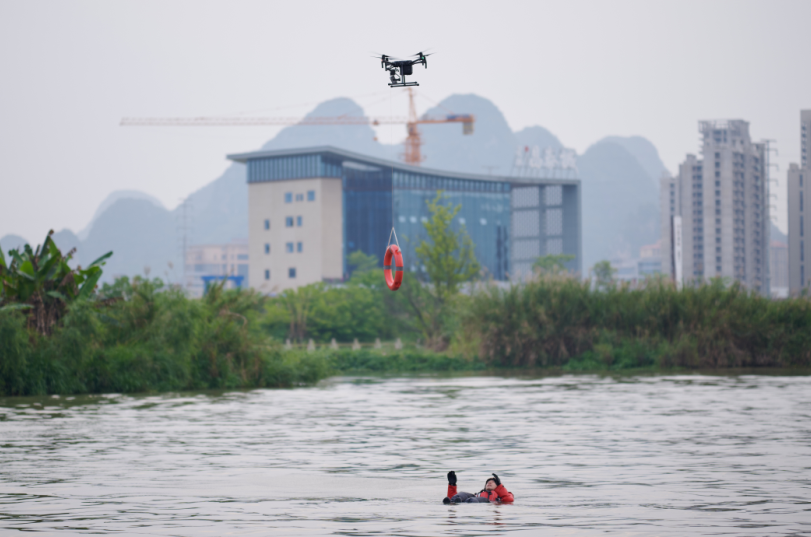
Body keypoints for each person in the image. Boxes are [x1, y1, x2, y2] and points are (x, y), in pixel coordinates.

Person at [442, 471, 514, 504]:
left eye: (493, 482)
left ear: (498, 485)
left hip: (485, 502)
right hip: (473, 499)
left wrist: (500, 486)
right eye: (488, 482)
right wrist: (452, 484)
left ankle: (463, 503)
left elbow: (509, 500)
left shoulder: (505, 495)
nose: (489, 482)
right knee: (461, 494)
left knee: (472, 499)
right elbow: (452, 496)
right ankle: (453, 502)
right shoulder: (479, 493)